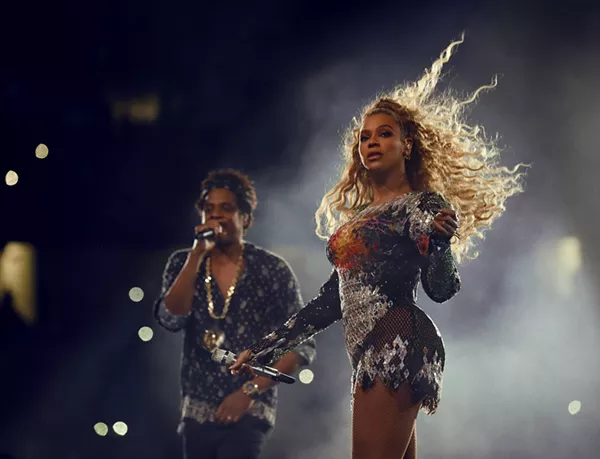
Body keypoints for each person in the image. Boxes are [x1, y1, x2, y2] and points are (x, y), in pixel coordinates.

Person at [231, 36, 526, 459]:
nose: (370, 142)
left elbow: (441, 288)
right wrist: (261, 351)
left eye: (384, 134)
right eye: (365, 137)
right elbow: (330, 302)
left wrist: (440, 244)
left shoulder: (421, 206)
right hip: (376, 349)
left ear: (407, 145)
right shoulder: (358, 221)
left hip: (396, 341)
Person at [154, 169, 316, 459]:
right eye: (208, 209)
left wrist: (249, 391)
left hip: (250, 409)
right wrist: (195, 256)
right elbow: (170, 317)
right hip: (196, 412)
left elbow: (301, 343)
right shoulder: (184, 262)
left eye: (226, 208)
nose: (215, 216)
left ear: (246, 218)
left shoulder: (272, 270)